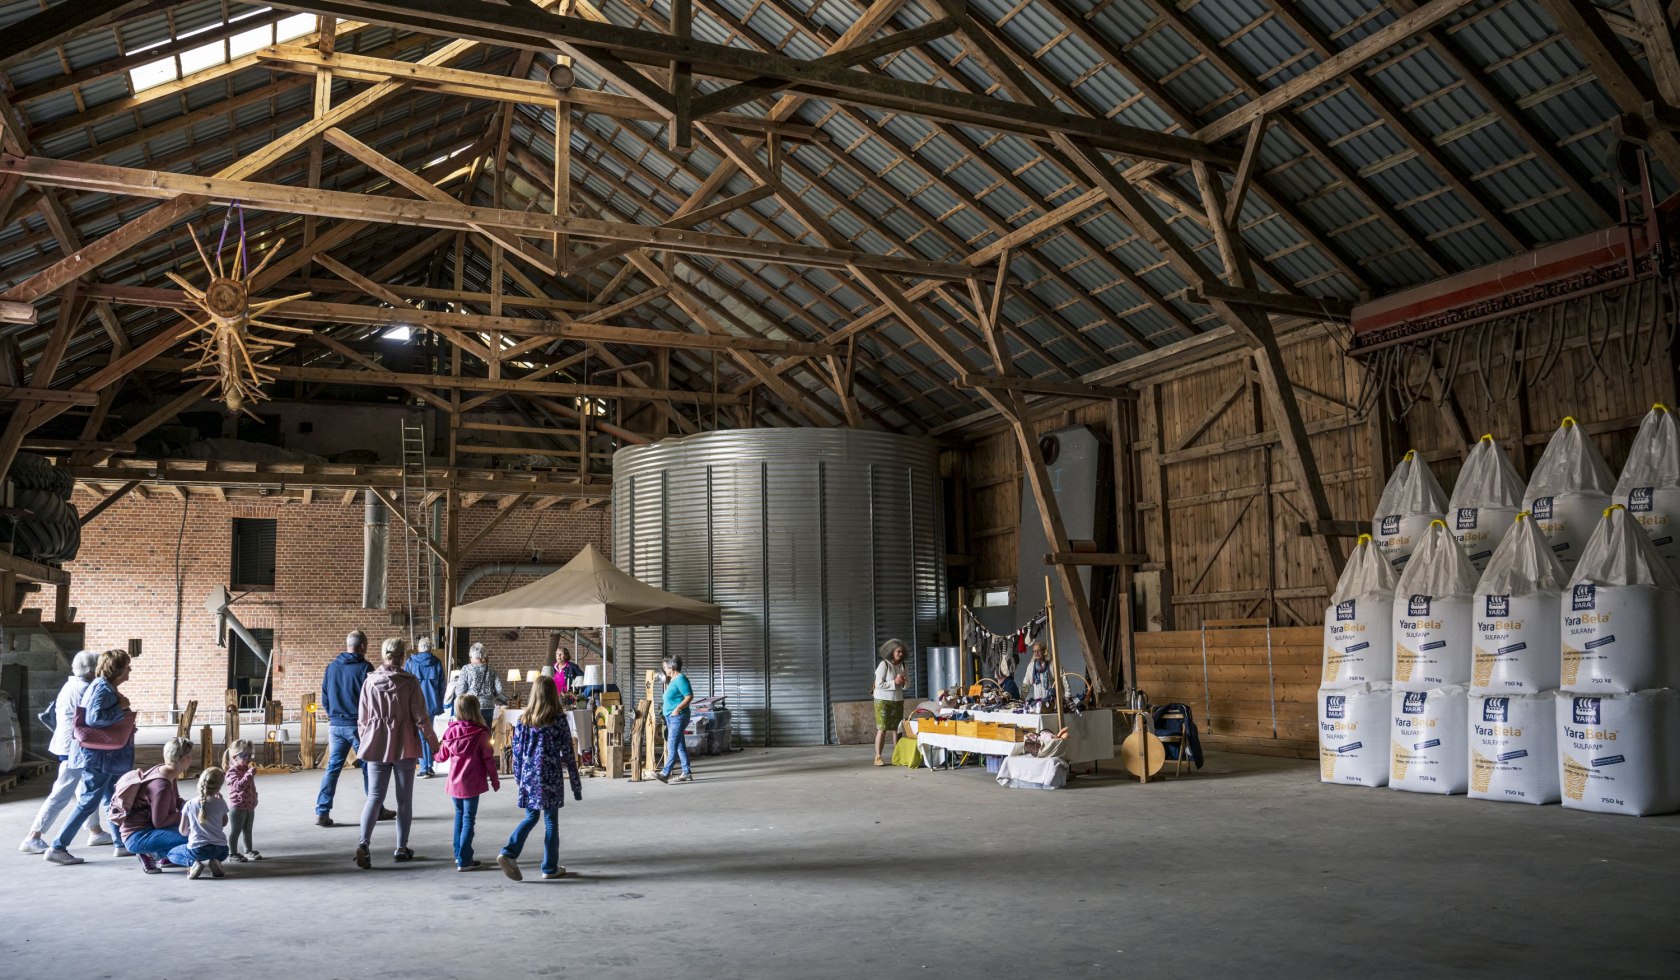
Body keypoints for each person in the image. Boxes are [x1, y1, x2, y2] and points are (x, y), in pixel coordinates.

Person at [44, 648, 137, 865]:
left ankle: (120, 844)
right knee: (87, 802)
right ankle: (57, 847)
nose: (130, 669)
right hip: (98, 758)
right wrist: (120, 708)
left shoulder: (105, 686)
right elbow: (94, 718)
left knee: (111, 797)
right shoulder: (102, 688)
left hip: (105, 757)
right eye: (127, 666)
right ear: (118, 669)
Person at [354, 637, 439, 869]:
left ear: (383, 655)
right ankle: (401, 848)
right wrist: (435, 745)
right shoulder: (410, 682)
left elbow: (362, 719)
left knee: (374, 797)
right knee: (404, 800)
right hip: (404, 745)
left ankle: (363, 843)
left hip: (376, 744)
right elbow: (421, 719)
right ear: (403, 657)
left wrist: (367, 739)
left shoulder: (370, 682)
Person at [20, 651, 114, 854]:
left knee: (84, 791)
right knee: (61, 793)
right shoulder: (84, 688)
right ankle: (33, 836)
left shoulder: (71, 685)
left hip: (69, 745)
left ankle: (95, 831)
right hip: (75, 748)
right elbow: (93, 718)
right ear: (91, 671)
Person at [497, 678, 581, 882]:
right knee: (551, 822)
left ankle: (508, 853)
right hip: (550, 776)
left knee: (531, 817)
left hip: (529, 776)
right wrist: (576, 787)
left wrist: (519, 778)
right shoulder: (559, 719)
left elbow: (517, 752)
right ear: (553, 694)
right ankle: (549, 868)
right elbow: (569, 754)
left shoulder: (524, 719)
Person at [316, 630, 382, 828]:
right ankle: (376, 809)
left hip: (335, 725)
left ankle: (322, 811)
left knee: (333, 769)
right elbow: (371, 698)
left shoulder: (332, 667)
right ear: (362, 646)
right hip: (358, 725)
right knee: (368, 766)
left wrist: (334, 715)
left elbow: (325, 697)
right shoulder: (365, 667)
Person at [435, 693, 499, 872]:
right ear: (476, 709)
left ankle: (458, 855)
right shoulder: (481, 733)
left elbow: (441, 757)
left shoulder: (450, 730)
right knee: (469, 819)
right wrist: (494, 780)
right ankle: (465, 859)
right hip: (472, 783)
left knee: (459, 816)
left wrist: (431, 751)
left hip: (455, 783)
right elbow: (488, 760)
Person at [115, 736, 193, 873]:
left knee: (193, 828)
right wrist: (186, 815)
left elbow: (177, 801)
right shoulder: (161, 786)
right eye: (189, 756)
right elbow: (160, 822)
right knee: (195, 837)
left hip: (147, 828)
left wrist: (194, 806)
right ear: (182, 760)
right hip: (137, 836)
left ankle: (163, 854)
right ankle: (151, 853)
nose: (191, 760)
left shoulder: (167, 771)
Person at [170, 766, 230, 880]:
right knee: (218, 853)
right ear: (219, 787)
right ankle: (216, 861)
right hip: (221, 850)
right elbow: (224, 823)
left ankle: (193, 864)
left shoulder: (189, 804)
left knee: (172, 854)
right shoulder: (221, 802)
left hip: (198, 850)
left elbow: (183, 832)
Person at [405, 637, 447, 778]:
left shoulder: (411, 663)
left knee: (420, 736)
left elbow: (404, 684)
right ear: (430, 648)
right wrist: (440, 703)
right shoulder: (437, 663)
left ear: (418, 648)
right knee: (429, 733)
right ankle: (429, 766)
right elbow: (442, 686)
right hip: (432, 703)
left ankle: (424, 768)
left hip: (415, 704)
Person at [652, 656, 693, 784]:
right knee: (680, 746)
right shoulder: (672, 680)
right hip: (671, 718)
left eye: (665, 667)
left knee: (672, 745)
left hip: (678, 717)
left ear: (672, 667)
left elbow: (689, 696)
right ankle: (687, 773)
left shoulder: (681, 679)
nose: (664, 670)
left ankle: (665, 773)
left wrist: (678, 709)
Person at [450, 642, 506, 729]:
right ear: (483, 656)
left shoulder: (466, 669)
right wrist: (491, 697)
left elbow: (460, 691)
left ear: (471, 656)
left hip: (471, 707)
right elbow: (499, 689)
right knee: (486, 735)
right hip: (488, 707)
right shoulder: (491, 669)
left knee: (472, 734)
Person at [872, 639, 908, 767]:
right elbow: (878, 684)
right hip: (882, 701)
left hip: (897, 700)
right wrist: (894, 682)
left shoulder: (903, 665)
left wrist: (903, 683)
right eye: (898, 651)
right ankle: (878, 757)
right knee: (882, 729)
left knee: (897, 730)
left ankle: (897, 756)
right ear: (891, 652)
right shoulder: (884, 665)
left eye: (902, 652)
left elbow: (907, 685)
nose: (900, 654)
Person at [223, 739, 261, 861]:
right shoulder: (231, 772)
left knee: (248, 830)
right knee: (236, 831)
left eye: (251, 755)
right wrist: (249, 774)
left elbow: (250, 786)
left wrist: (254, 797)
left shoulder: (245, 768)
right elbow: (238, 786)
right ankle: (232, 853)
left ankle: (248, 851)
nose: (249, 758)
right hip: (238, 807)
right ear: (235, 757)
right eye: (245, 755)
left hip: (249, 806)